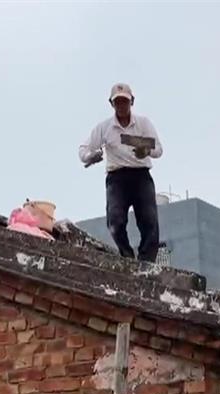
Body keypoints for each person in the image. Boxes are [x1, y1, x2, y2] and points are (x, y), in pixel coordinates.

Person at [79, 83, 163, 262]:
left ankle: (146, 261)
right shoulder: (105, 128)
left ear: (132, 102)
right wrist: (91, 157)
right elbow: (83, 150)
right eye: (118, 102)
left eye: (125, 101)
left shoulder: (143, 123)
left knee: (149, 221)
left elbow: (158, 149)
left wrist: (145, 149)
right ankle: (126, 256)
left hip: (141, 175)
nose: (121, 105)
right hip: (117, 178)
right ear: (112, 104)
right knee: (115, 221)